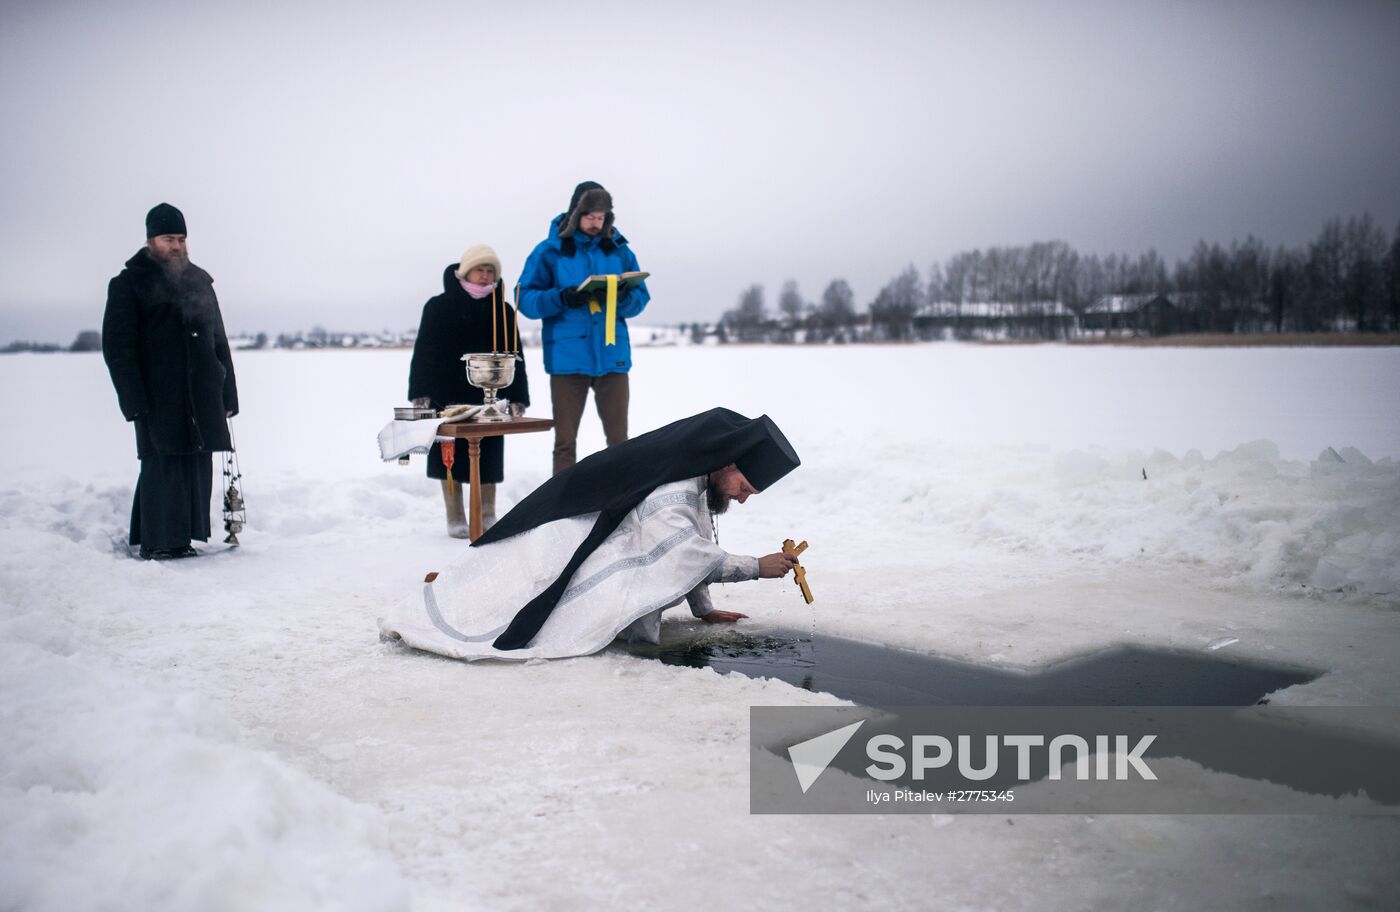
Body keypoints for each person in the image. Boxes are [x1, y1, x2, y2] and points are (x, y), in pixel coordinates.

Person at [379, 408, 801, 661]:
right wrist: (755, 568)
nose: (743, 499)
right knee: (509, 600)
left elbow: (696, 539)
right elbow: (683, 553)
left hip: (587, 536)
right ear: (727, 464)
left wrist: (702, 608)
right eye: (745, 488)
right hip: (564, 537)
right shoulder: (674, 491)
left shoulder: (696, 475)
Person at [102, 203, 239, 560]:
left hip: (201, 390)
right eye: (168, 239)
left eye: (180, 239)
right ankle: (158, 541)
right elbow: (118, 348)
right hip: (157, 393)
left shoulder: (198, 280)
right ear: (151, 241)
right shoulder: (129, 284)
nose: (176, 246)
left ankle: (181, 537)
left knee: (194, 463)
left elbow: (218, 340)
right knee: (161, 463)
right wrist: (132, 400)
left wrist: (228, 394)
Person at [516, 181, 650, 476]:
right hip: (567, 360)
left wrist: (622, 296)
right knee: (565, 443)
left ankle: (619, 502)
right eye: (590, 216)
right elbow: (524, 298)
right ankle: (561, 507)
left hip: (613, 357)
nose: (595, 223)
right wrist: (561, 297)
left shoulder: (619, 250)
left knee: (619, 442)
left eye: (601, 217)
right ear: (576, 213)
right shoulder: (549, 251)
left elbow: (642, 297)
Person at [408, 245, 530, 537]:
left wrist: (518, 396)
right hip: (445, 394)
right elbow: (424, 350)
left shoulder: (502, 310)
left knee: (488, 454)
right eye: (480, 270)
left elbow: (515, 355)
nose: (485, 276)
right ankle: (455, 515)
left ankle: (487, 511)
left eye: (491, 272)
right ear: (465, 272)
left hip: (489, 397)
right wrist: (420, 392)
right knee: (449, 456)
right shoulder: (438, 306)